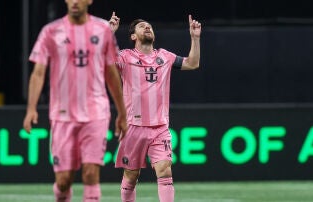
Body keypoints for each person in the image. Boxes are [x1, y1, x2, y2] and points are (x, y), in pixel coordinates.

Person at [23, 1, 128, 201]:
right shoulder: (51, 31)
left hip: (96, 112)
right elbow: (38, 73)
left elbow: (111, 74)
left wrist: (122, 113)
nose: (75, 1)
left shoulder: (103, 30)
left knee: (90, 174)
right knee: (64, 181)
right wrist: (31, 108)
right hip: (62, 115)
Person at [109, 12, 201, 202]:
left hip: (160, 126)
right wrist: (109, 34)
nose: (147, 27)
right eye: (142, 26)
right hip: (133, 127)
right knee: (131, 176)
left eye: (149, 25)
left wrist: (195, 38)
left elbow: (192, 64)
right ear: (133, 36)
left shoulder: (165, 56)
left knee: (165, 170)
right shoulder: (125, 57)